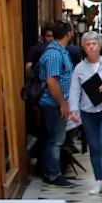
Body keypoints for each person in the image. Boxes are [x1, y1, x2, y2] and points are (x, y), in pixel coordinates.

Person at [68, 32, 102, 197]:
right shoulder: (79, 68)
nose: (91, 47)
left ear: (100, 45)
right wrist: (74, 110)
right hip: (88, 111)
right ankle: (98, 180)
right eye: (88, 44)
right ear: (83, 47)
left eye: (94, 44)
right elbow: (75, 90)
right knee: (94, 146)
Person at [35, 21, 76, 187]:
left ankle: (49, 170)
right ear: (68, 33)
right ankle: (53, 173)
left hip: (57, 103)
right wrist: (62, 103)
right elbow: (52, 81)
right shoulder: (54, 54)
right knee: (55, 140)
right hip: (53, 103)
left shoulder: (60, 51)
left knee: (53, 139)